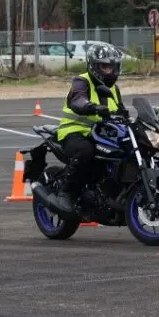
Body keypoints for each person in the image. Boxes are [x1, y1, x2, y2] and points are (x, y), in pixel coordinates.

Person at [51, 43, 128, 214]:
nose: (111, 71)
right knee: (86, 151)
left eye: (113, 67)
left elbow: (122, 111)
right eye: (106, 67)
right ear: (95, 66)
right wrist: (92, 107)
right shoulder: (82, 81)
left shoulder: (113, 89)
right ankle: (66, 191)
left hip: (101, 134)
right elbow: (77, 100)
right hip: (74, 131)